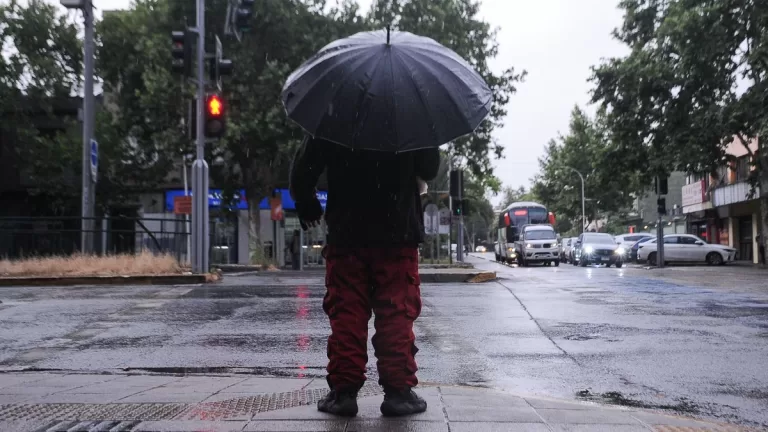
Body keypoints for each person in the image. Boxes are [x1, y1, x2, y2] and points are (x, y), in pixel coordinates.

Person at [289, 135, 440, 417]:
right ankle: (398, 392)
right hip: (397, 232)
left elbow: (303, 168)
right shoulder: (408, 114)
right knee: (396, 312)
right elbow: (429, 168)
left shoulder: (336, 114)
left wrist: (308, 203)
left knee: (347, 312)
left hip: (348, 232)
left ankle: (344, 392)